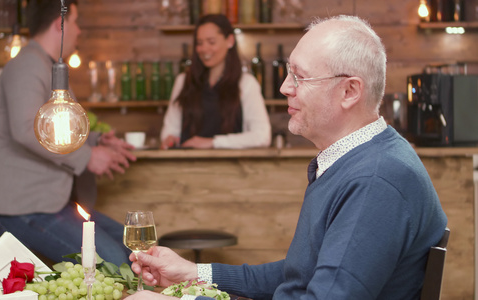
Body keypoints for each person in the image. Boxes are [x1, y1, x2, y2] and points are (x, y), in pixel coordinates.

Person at [126, 15, 448, 299]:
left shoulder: (375, 180)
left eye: (299, 76)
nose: (284, 87)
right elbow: (299, 275)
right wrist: (194, 273)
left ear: (349, 91)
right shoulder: (356, 160)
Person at [0, 0, 135, 267]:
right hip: (19, 209)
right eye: (75, 21)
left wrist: (96, 140)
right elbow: (26, 129)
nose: (79, 30)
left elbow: (55, 129)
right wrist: (88, 157)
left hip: (50, 204)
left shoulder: (46, 65)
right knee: (115, 263)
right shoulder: (27, 65)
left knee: (131, 247)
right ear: (59, 24)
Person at [160, 14, 271, 150]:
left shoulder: (246, 83)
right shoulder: (182, 81)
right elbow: (170, 130)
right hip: (186, 167)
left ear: (230, 41)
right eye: (199, 43)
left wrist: (213, 142)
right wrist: (170, 138)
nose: (204, 49)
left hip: (232, 168)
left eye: (211, 42)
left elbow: (262, 136)